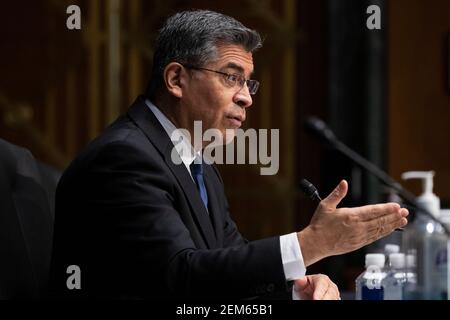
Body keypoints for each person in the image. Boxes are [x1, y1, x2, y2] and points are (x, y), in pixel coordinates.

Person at [49, 10, 408, 300]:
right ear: (176, 79)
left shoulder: (196, 161)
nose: (246, 98)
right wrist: (309, 244)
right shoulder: (124, 158)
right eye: (231, 77)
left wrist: (298, 289)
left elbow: (224, 266)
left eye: (248, 83)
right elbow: (181, 278)